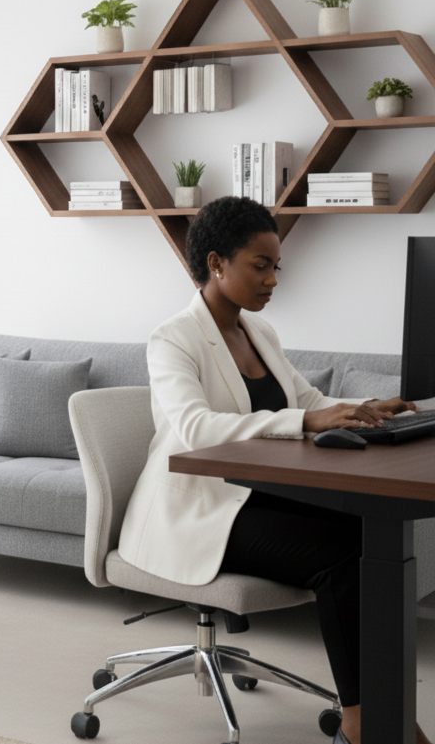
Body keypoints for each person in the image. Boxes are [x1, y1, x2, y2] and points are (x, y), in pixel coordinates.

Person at [116, 195, 431, 744]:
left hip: (252, 492)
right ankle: (363, 722)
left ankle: (387, 709)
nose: (272, 281)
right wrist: (306, 419)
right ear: (216, 264)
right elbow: (195, 427)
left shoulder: (260, 333)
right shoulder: (173, 338)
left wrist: (360, 409)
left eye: (275, 267)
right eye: (259, 266)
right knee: (340, 558)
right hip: (197, 507)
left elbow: (303, 398)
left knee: (368, 533)